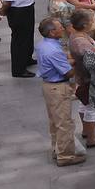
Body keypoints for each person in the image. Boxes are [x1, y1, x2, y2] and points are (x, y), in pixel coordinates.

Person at [35, 18, 82, 166]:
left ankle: (58, 149)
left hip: (48, 86)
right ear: (51, 32)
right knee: (64, 122)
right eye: (59, 27)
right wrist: (78, 63)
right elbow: (68, 73)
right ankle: (66, 156)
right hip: (58, 88)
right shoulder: (53, 50)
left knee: (55, 121)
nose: (62, 28)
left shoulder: (43, 45)